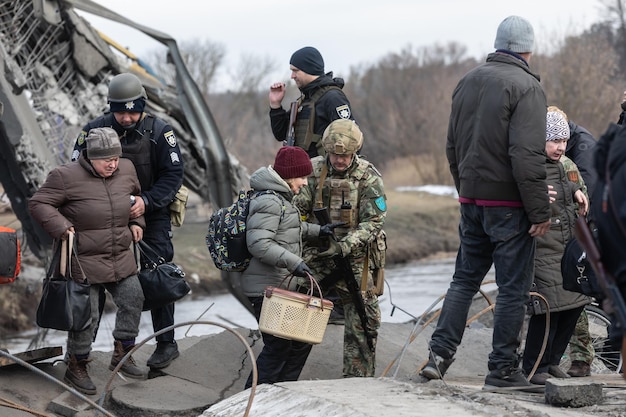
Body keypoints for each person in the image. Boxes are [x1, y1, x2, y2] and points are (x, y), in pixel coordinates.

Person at [419, 15, 551, 389]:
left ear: (498, 45)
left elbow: (451, 145)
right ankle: (503, 370)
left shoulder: (467, 81)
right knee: (512, 289)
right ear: (528, 48)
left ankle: (438, 357)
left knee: (463, 280)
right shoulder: (527, 87)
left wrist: (465, 188)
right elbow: (526, 156)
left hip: (472, 200)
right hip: (509, 206)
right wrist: (539, 211)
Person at [71, 73, 184, 370]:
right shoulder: (93, 131)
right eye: (120, 111)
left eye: (133, 111)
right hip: (102, 215)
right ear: (111, 108)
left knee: (158, 274)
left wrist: (145, 201)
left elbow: (173, 176)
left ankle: (165, 342)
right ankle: (84, 353)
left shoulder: (160, 132)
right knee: (92, 280)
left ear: (143, 107)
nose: (127, 117)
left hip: (152, 210)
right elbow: (75, 171)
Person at [29, 128, 146, 395]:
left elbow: (133, 200)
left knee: (134, 298)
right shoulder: (65, 176)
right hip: (84, 260)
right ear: (90, 157)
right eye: (106, 160)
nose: (112, 164)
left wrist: (138, 220)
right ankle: (76, 364)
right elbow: (38, 204)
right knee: (87, 316)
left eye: (116, 158)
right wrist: (61, 226)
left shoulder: (126, 169)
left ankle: (123, 353)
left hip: (120, 255)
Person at [294, 119, 386, 377]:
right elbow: (296, 212)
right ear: (327, 150)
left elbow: (374, 221)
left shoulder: (368, 177)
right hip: (317, 252)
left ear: (355, 152)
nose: (340, 160)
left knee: (364, 316)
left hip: (356, 256)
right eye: (335, 154)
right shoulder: (313, 171)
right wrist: (311, 235)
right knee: (295, 304)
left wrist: (346, 245)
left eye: (345, 155)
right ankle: (283, 370)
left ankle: (357, 378)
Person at [242, 146, 334, 389]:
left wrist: (318, 231)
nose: (305, 183)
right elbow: (259, 243)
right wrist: (296, 263)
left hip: (276, 284)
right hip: (265, 288)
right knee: (279, 347)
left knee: (299, 342)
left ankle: (281, 392)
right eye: (302, 177)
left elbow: (288, 231)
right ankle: (250, 401)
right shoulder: (270, 201)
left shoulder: (280, 198)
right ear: (289, 175)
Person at [521, 106, 591, 385]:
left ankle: (551, 362)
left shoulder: (565, 166)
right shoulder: (530, 167)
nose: (559, 147)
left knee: (574, 304)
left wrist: (578, 194)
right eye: (554, 141)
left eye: (563, 141)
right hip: (541, 248)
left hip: (566, 248)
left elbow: (577, 187)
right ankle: (534, 366)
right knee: (547, 309)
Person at [269, 46, 355, 158]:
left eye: (295, 71)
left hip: (325, 174)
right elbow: (281, 134)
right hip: (305, 173)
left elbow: (351, 139)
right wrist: (275, 105)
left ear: (309, 69)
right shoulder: (305, 100)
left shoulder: (332, 98)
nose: (292, 76)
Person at [563, 118, 599, 378]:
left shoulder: (581, 151)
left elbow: (587, 191)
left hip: (581, 230)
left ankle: (582, 357)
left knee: (576, 294)